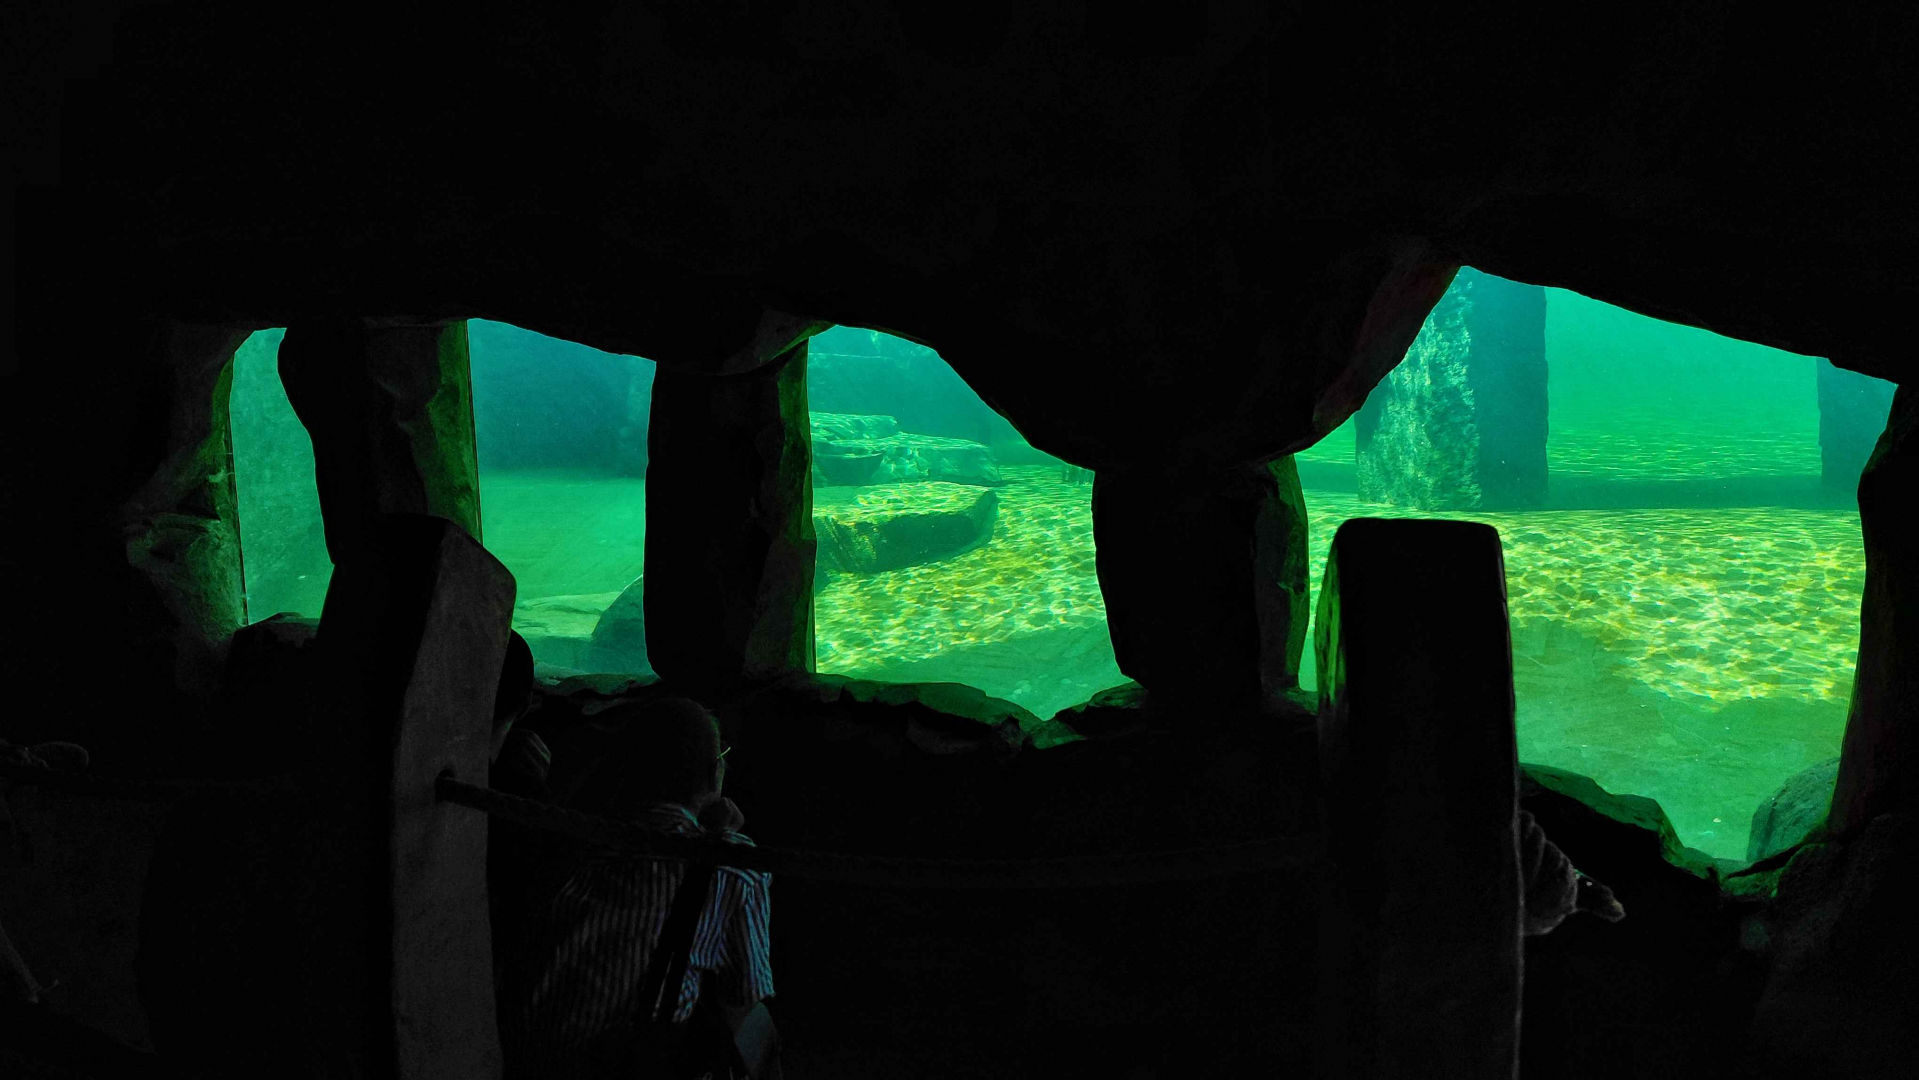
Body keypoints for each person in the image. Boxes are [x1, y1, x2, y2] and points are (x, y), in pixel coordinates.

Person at [498, 697, 778, 1079]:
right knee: (759, 1028)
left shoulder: (568, 836)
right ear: (715, 773)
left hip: (524, 1061)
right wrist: (720, 839)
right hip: (624, 1066)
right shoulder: (733, 865)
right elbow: (741, 998)